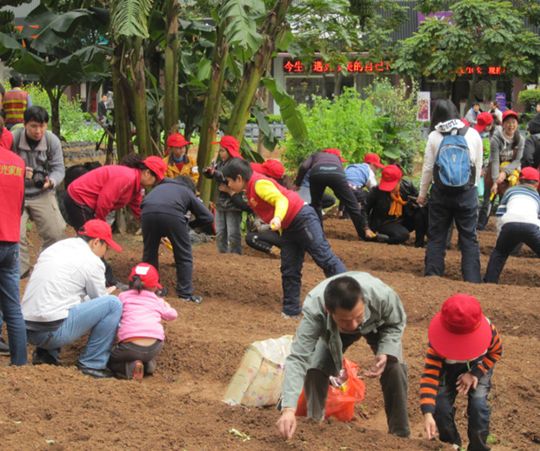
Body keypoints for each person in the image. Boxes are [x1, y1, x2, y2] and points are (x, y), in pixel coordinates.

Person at [277, 273, 409, 439]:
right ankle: (314, 424)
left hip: (377, 325)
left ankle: (400, 435)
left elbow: (396, 323)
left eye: (358, 316)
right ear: (328, 311)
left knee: (394, 366)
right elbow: (298, 357)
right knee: (316, 367)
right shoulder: (315, 309)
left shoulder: (382, 296)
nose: (354, 325)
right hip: (335, 331)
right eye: (346, 320)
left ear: (364, 302)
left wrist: (386, 350)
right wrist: (289, 409)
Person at [222, 158, 347, 318]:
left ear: (239, 178)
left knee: (325, 259)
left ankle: (353, 297)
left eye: (229, 181)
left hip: (302, 219)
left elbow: (281, 199)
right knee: (289, 269)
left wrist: (278, 218)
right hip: (288, 227)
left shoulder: (259, 184)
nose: (228, 185)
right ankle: (291, 310)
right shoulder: (250, 187)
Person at [21, 219, 123, 378]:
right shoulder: (93, 261)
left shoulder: (56, 248)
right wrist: (107, 293)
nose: (105, 252)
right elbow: (100, 299)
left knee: (61, 297)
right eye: (106, 247)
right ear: (96, 242)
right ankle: (92, 363)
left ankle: (45, 356)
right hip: (51, 332)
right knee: (113, 304)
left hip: (26, 328)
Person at [421, 294, 502, 450]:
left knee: (479, 406)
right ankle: (451, 445)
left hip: (479, 366)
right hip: (448, 369)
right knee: (441, 407)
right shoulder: (437, 344)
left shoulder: (490, 332)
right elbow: (430, 377)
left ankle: (478, 447)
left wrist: (475, 373)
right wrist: (428, 413)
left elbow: (495, 352)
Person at [417, 99, 483, 283]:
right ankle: (472, 279)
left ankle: (433, 276)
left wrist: (422, 194)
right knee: (469, 237)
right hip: (467, 193)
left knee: (437, 236)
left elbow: (428, 169)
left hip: (441, 194)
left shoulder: (434, 136)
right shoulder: (473, 134)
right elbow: (477, 166)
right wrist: (473, 190)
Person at [11, 106, 66, 278]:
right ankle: (22, 270)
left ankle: (44, 266)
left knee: (56, 232)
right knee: (14, 235)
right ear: (24, 124)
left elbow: (59, 169)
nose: (38, 131)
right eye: (34, 126)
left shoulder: (52, 141)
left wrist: (51, 181)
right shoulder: (13, 139)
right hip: (16, 193)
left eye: (42, 126)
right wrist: (19, 171)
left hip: (42, 192)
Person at [141, 176, 214, 303]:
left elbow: (143, 204)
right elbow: (208, 217)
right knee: (183, 255)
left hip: (147, 213)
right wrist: (190, 225)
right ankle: (185, 294)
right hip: (172, 214)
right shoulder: (185, 190)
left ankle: (151, 290)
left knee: (149, 253)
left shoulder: (158, 188)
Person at [108, 263, 178, 380]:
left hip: (130, 345)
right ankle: (148, 365)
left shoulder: (123, 296)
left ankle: (129, 369)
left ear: (131, 282)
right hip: (155, 346)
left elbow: (116, 314)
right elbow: (172, 315)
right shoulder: (157, 300)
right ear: (155, 287)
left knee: (111, 359)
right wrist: (165, 304)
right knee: (144, 353)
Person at [64, 155, 167, 230]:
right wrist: (100, 223)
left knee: (94, 237)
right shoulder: (127, 178)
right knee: (90, 236)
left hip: (86, 202)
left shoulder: (136, 186)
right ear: (147, 173)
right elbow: (105, 200)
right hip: (79, 199)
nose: (155, 183)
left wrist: (151, 226)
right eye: (156, 179)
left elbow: (138, 209)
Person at [294, 148, 374, 240]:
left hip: (317, 173)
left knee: (316, 204)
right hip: (336, 173)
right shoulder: (337, 158)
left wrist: (297, 183)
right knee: (352, 204)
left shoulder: (316, 155)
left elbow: (304, 167)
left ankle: (319, 234)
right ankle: (363, 234)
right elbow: (340, 177)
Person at [483, 167, 540, 283]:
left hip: (510, 224)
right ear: (537, 184)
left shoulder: (510, 191)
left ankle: (489, 281)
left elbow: (500, 213)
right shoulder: (537, 196)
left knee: (499, 253)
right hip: (531, 226)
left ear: (519, 180)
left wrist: (500, 234)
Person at [0, 142, 27, 365]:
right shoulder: (18, 162)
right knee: (13, 307)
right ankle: (20, 362)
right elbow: (21, 203)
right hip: (10, 240)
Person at [478, 110, 524, 230]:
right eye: (508, 122)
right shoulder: (496, 139)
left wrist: (504, 173)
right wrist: (495, 181)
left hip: (510, 173)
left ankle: (505, 226)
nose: (511, 125)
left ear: (517, 124)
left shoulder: (520, 139)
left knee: (506, 200)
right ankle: (480, 226)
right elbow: (495, 160)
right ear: (503, 124)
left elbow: (517, 161)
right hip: (494, 170)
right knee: (488, 200)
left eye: (513, 122)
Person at [363, 165, 427, 247]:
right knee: (403, 235)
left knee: (421, 213)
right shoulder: (376, 191)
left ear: (399, 180)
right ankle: (380, 237)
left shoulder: (407, 186)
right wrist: (366, 228)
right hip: (384, 223)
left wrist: (414, 203)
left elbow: (421, 201)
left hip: (403, 219)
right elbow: (364, 210)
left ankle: (419, 244)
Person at [203, 135, 243, 254]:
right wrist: (208, 172)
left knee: (233, 233)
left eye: (222, 150)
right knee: (220, 231)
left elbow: (225, 177)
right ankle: (222, 255)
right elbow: (216, 174)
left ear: (229, 150)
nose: (220, 153)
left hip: (233, 203)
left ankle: (235, 256)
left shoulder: (237, 164)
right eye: (220, 150)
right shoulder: (220, 164)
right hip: (221, 202)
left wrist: (215, 173)